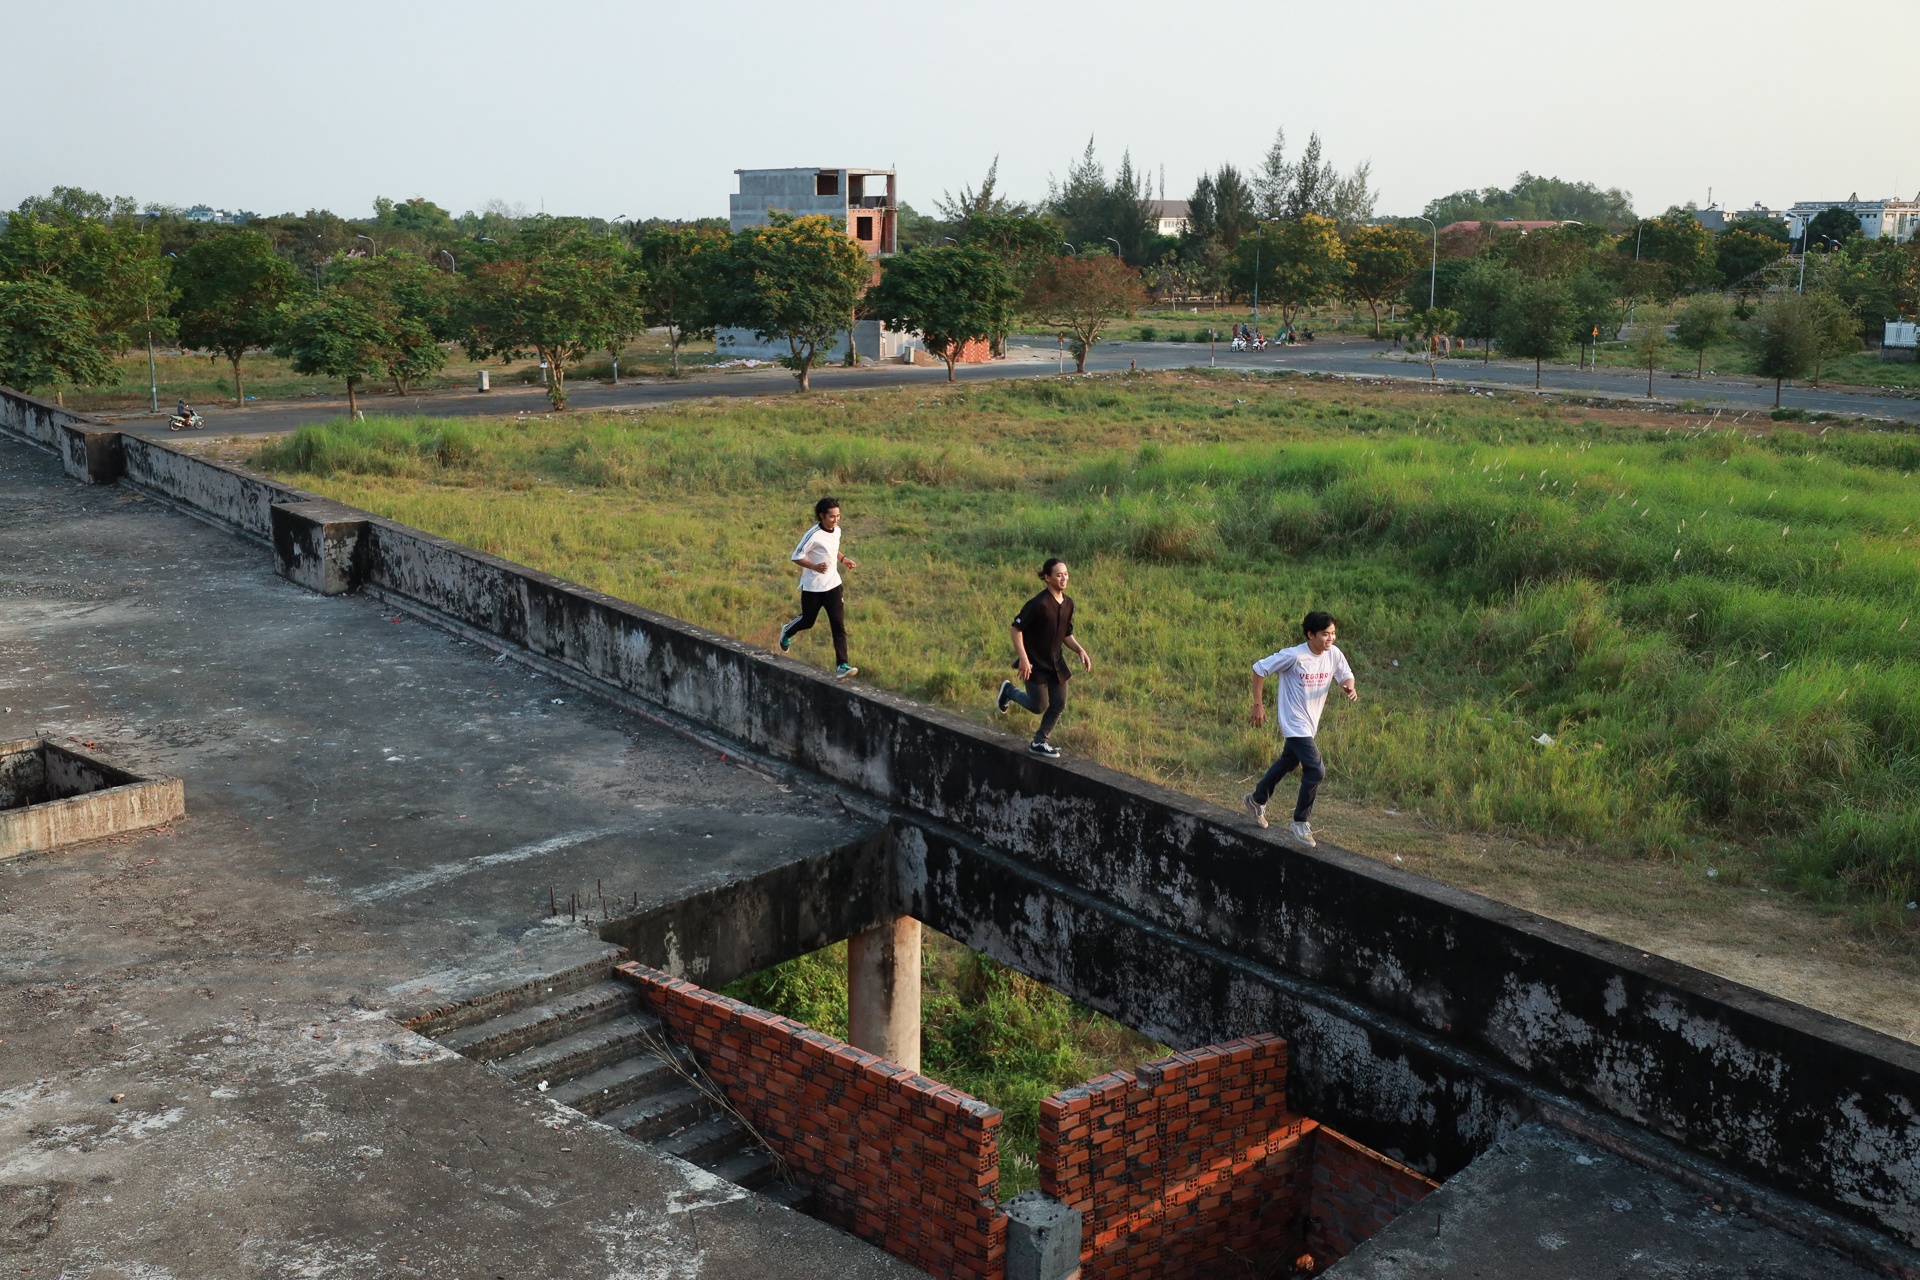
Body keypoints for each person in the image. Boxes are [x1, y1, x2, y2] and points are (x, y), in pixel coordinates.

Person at [1243, 611, 1357, 847]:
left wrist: (1348, 687)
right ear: (1310, 634)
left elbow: (1346, 675)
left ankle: (1256, 799)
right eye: (1326, 634)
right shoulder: (1294, 656)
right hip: (1294, 723)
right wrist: (1258, 705)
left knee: (1289, 762)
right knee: (1316, 770)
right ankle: (1300, 821)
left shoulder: (1333, 654)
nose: (1331, 639)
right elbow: (1259, 668)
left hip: (1310, 723)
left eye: (1333, 633)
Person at [997, 557, 1092, 758]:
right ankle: (1009, 691)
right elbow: (1016, 629)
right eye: (1059, 575)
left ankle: (1039, 742)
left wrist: (1080, 651)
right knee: (1038, 706)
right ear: (1048, 578)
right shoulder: (1038, 604)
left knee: (1058, 704)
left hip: (1056, 663)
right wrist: (1023, 658)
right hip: (1035, 664)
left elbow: (1066, 634)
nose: (1064, 578)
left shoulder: (1068, 603)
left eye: (1066, 574)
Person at [778, 496, 859, 680]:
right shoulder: (813, 534)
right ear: (821, 516)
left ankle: (841, 665)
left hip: (833, 585)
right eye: (832, 516)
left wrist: (844, 559)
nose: (836, 520)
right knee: (808, 621)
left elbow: (832, 549)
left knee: (838, 625)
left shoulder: (837, 530)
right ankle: (788, 631)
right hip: (813, 587)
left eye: (838, 516)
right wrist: (814, 566)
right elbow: (796, 556)